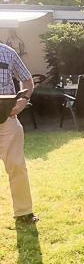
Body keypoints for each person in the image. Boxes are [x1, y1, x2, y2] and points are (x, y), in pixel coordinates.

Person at [0, 43, 37, 224]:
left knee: (16, 166)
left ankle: (23, 212)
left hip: (7, 118)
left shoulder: (7, 52)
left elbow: (27, 79)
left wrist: (22, 102)